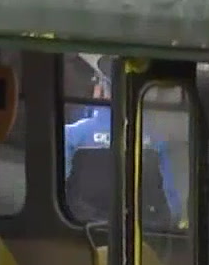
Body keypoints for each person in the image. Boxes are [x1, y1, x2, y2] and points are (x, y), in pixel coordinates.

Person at [60, 55, 185, 227]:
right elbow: (173, 208)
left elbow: (60, 193)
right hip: (141, 232)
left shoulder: (72, 135)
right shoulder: (157, 141)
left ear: (100, 91)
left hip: (83, 232)